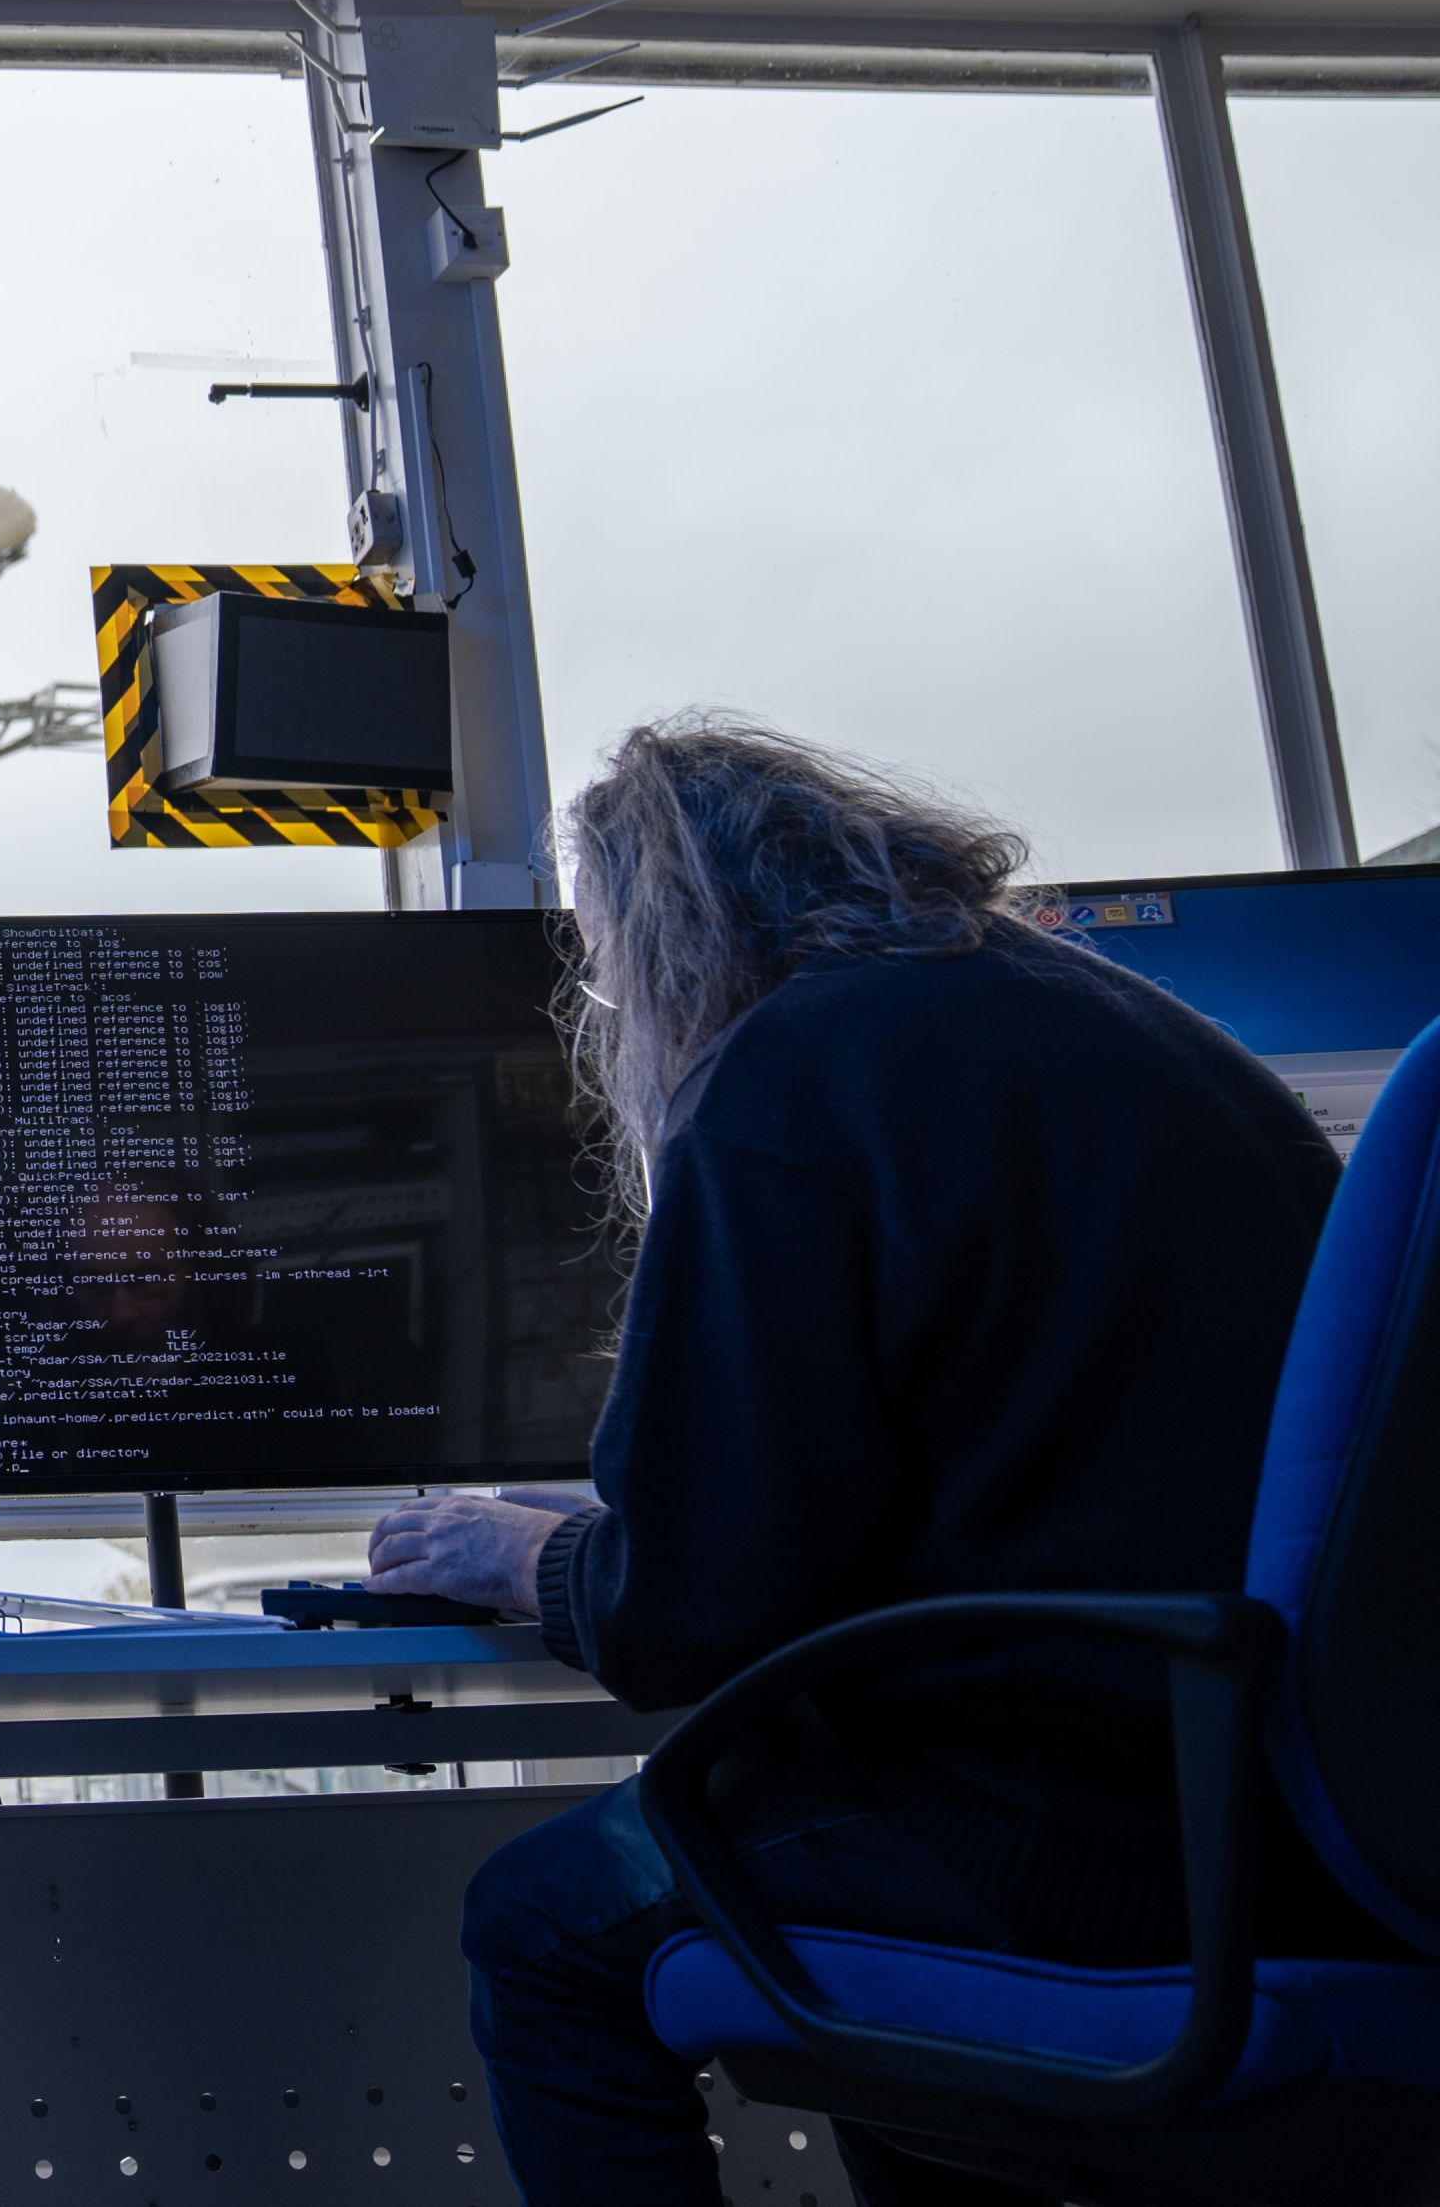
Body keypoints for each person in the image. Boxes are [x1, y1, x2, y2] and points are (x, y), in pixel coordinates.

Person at [361, 715, 1379, 2207]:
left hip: (1066, 1838)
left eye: (598, 960)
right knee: (874, 2010)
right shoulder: (1107, 1019)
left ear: (660, 931)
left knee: (542, 1932)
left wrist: (519, 1550)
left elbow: (691, 1612)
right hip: (1296, 1821)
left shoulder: (784, 1079)